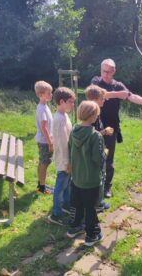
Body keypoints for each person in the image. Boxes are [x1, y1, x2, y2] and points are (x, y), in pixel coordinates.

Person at [91, 58, 142, 198]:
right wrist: (118, 94)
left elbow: (131, 96)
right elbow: (97, 94)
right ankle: (92, 185)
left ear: (114, 71)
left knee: (108, 159)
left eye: (109, 72)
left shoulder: (118, 85)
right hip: (94, 126)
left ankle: (106, 187)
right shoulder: (96, 81)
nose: (106, 74)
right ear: (100, 70)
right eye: (104, 71)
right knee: (93, 157)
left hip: (111, 127)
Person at [66, 101, 106, 246]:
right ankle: (92, 235)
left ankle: (74, 227)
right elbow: (98, 158)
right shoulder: (95, 136)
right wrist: (104, 155)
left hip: (76, 177)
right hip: (91, 180)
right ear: (93, 116)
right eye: (96, 114)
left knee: (76, 204)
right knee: (90, 207)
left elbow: (69, 151)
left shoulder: (73, 131)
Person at [48, 87, 76, 225]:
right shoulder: (58, 119)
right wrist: (67, 162)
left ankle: (66, 205)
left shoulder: (64, 115)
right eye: (71, 101)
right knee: (60, 186)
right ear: (61, 101)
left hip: (68, 158)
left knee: (67, 184)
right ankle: (55, 214)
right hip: (63, 160)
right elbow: (61, 144)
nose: (73, 104)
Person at [85, 85, 115, 212]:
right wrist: (104, 132)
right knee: (97, 177)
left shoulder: (95, 113)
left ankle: (98, 201)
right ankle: (96, 204)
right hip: (94, 153)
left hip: (97, 149)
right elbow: (90, 135)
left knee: (100, 176)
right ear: (95, 99)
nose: (104, 100)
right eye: (102, 98)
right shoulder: (91, 115)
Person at [34, 81, 53, 194]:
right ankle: (42, 188)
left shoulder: (44, 106)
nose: (51, 95)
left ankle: (41, 184)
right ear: (41, 94)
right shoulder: (41, 109)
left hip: (45, 141)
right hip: (45, 141)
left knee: (42, 162)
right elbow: (44, 127)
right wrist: (50, 143)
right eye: (49, 93)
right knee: (44, 163)